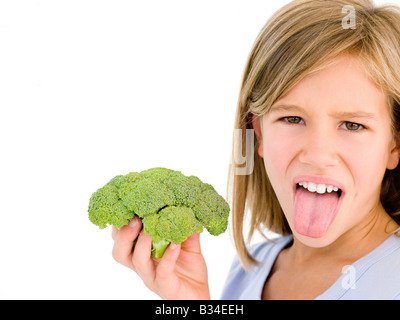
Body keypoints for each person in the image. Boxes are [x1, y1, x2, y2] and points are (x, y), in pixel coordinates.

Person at [111, 0, 400, 300]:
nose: (317, 154)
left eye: (352, 125)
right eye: (292, 118)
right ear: (258, 133)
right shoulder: (250, 268)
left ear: (395, 143)